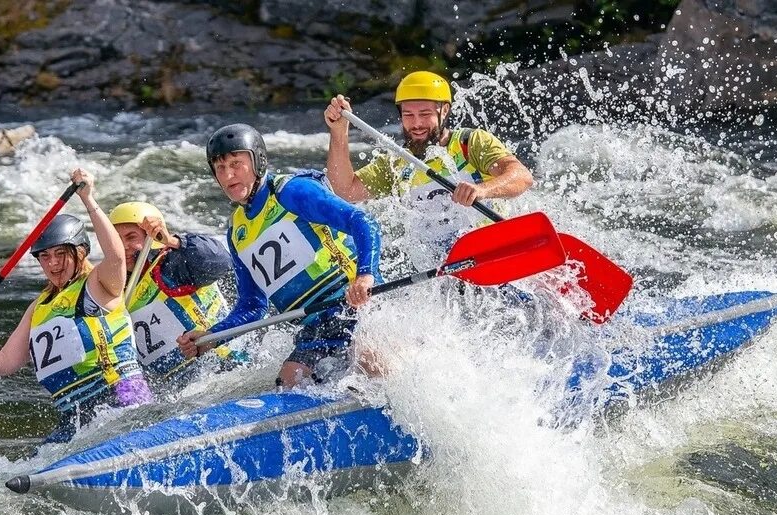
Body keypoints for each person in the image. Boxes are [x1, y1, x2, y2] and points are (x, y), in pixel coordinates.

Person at [0, 168, 151, 443]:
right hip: (74, 416)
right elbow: (6, 362)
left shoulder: (98, 284)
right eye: (45, 256)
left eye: (61, 254)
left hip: (122, 397)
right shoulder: (38, 307)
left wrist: (88, 199)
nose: (53, 264)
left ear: (81, 252)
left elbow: (117, 257)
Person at [176, 124, 383, 387]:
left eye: (236, 164)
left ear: (258, 162)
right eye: (220, 168)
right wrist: (210, 338)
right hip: (316, 326)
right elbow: (252, 306)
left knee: (370, 359)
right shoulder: (237, 230)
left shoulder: (291, 192)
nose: (228, 175)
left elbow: (361, 221)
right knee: (288, 383)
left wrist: (366, 275)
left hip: (354, 305)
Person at [323, 70, 534, 264]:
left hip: (494, 252)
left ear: (444, 111)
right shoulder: (396, 163)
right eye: (408, 115)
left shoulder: (470, 143)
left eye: (425, 114)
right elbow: (344, 190)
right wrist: (339, 131)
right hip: (442, 266)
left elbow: (521, 177)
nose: (416, 124)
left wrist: (482, 190)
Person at [109, 200, 240, 385]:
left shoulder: (171, 265)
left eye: (131, 237)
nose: (123, 247)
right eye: (116, 239)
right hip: (177, 388)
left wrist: (171, 241)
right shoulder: (112, 288)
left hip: (224, 365)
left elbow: (221, 261)